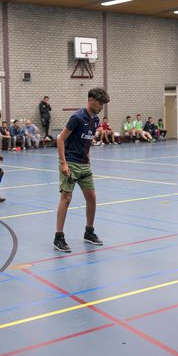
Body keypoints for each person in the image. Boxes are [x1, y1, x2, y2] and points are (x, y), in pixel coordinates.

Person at [53, 87, 110, 253]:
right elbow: (60, 139)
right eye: (100, 103)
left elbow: (87, 142)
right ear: (91, 100)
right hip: (70, 163)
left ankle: (89, 232)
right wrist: (63, 163)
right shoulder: (77, 117)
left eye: (103, 104)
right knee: (66, 198)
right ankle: (58, 237)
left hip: (85, 165)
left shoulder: (96, 120)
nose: (101, 107)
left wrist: (88, 160)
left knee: (91, 197)